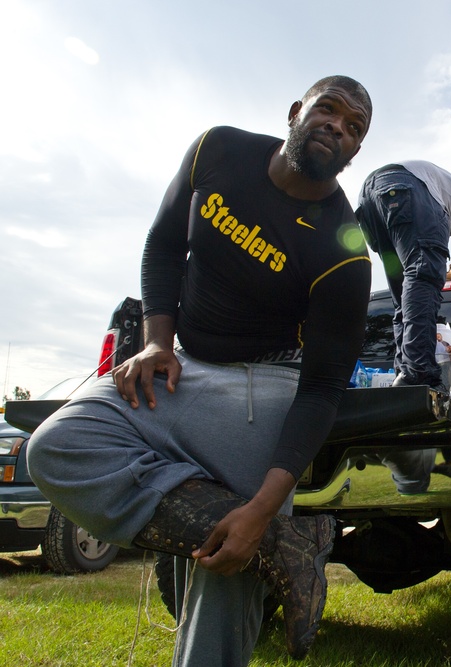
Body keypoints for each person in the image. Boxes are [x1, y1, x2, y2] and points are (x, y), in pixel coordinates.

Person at [26, 76, 373, 665]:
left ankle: (259, 536)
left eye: (354, 128)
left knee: (231, 556)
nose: (338, 127)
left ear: (355, 152)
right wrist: (156, 342)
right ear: (296, 111)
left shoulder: (344, 251)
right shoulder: (218, 150)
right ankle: (284, 547)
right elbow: (163, 245)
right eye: (329, 110)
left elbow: (321, 390)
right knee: (55, 447)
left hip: (263, 388)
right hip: (181, 366)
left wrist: (261, 506)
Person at [355, 161, 451, 392]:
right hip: (408, 186)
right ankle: (419, 373)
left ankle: (404, 374)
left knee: (402, 299)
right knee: (423, 273)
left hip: (369, 198)